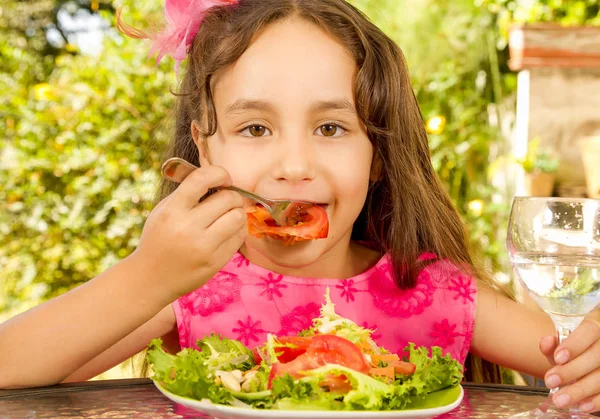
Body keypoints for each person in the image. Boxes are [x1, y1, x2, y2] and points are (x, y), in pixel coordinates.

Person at [1, 0, 600, 413]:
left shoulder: (436, 293)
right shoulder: (187, 287)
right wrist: (145, 276)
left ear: (380, 154)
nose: (293, 164)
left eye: (332, 128)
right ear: (206, 144)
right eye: (256, 128)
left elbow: (577, 361)